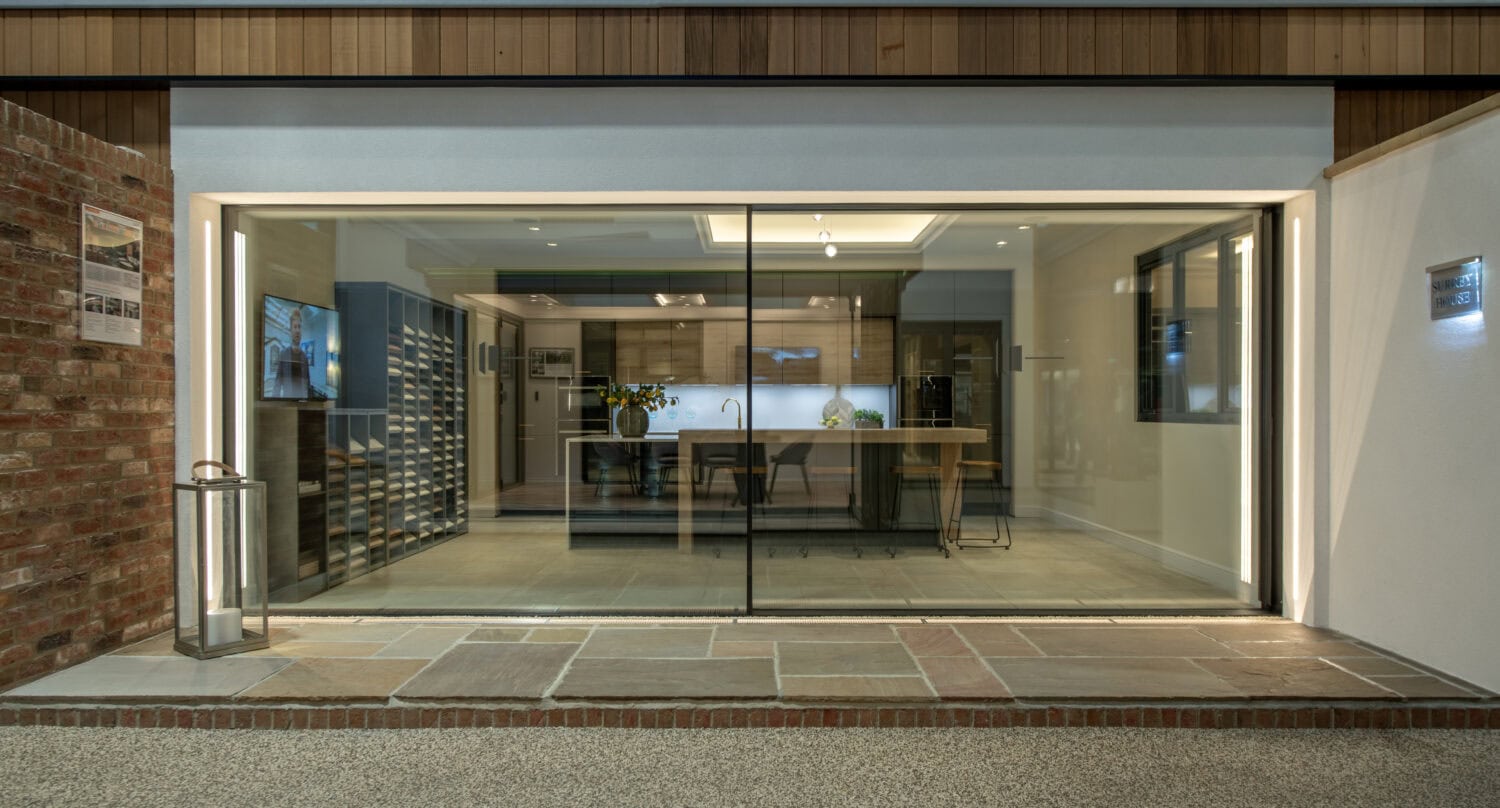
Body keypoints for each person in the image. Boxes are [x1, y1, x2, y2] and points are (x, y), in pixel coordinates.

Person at [273, 306, 311, 399]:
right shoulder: (283, 354)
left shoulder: (304, 357)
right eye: (295, 327)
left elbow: (308, 384)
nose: (297, 330)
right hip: (287, 405)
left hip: (302, 406)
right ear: (290, 331)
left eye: (299, 327)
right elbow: (277, 385)